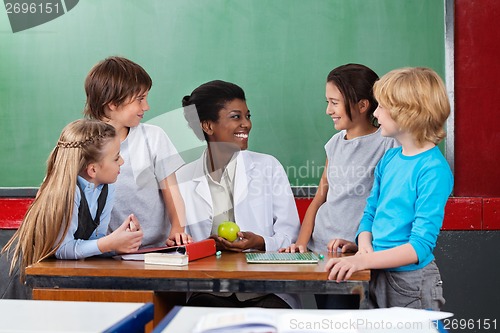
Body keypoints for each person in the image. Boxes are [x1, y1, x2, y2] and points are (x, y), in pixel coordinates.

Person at [325, 67, 453, 311]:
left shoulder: (433, 169)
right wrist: (363, 244)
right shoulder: (390, 159)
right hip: (375, 273)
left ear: (407, 113)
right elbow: (370, 213)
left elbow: (419, 246)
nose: (375, 112)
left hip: (411, 282)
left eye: (381, 106)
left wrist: (364, 259)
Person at [280, 64, 398, 309]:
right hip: (320, 253)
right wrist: (302, 244)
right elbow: (319, 199)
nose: (328, 110)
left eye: (334, 102)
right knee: (328, 316)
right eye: (327, 102)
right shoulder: (334, 143)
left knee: (344, 318)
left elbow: (388, 207)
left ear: (362, 105)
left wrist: (364, 244)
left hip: (354, 255)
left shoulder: (387, 144)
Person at [177, 80, 301, 308]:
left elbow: (290, 234)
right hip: (209, 289)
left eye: (247, 116)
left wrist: (262, 242)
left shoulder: (268, 167)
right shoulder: (183, 177)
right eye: (236, 117)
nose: (247, 124)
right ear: (207, 125)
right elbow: (180, 241)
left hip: (266, 289)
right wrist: (208, 245)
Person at [1, 119, 143, 299]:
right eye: (116, 157)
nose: (122, 161)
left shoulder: (107, 187)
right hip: (26, 279)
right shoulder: (67, 191)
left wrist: (119, 244)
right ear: (92, 170)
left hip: (58, 276)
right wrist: (110, 243)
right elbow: (62, 249)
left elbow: (93, 241)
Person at [84, 56, 189, 248]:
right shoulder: (82, 142)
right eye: (140, 99)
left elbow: (172, 190)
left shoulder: (153, 137)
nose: (146, 107)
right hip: (106, 251)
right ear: (112, 103)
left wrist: (178, 228)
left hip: (156, 248)